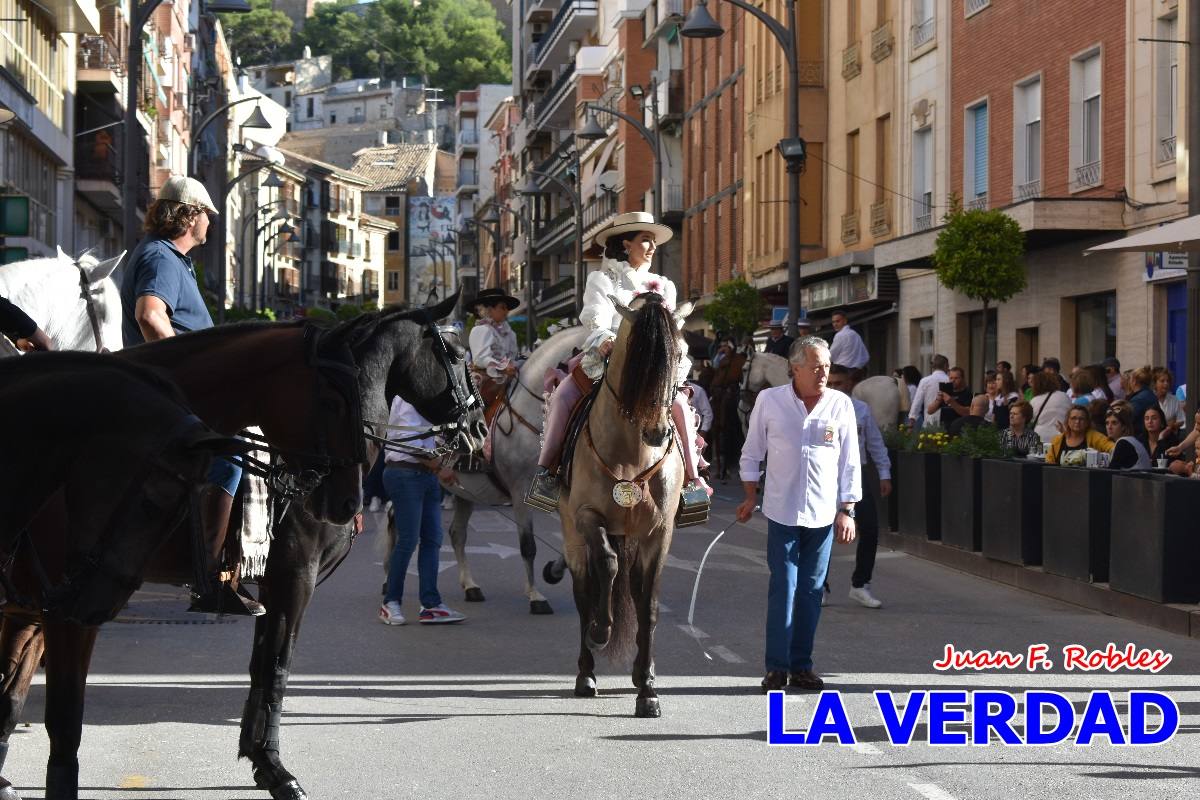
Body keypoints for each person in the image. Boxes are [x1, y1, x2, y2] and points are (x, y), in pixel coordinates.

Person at [120, 176, 255, 615]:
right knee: (229, 458)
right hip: (171, 395)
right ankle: (208, 576)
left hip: (168, 391)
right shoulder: (161, 257)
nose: (211, 223)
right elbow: (150, 315)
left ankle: (221, 571)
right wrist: (190, 374)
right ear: (190, 215)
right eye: (208, 215)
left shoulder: (170, 258)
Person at [527, 212, 709, 509]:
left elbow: (671, 327)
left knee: (679, 406)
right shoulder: (602, 279)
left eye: (653, 241)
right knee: (562, 396)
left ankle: (692, 480)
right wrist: (604, 339)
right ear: (626, 244)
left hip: (653, 369)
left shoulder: (664, 285)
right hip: (609, 359)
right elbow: (594, 316)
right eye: (645, 240)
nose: (652, 247)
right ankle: (547, 473)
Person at [737, 336, 860, 692]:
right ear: (795, 368)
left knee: (811, 591)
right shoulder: (770, 400)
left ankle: (802, 666)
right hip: (782, 511)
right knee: (785, 588)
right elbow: (752, 451)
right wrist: (749, 495)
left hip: (823, 515)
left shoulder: (840, 404)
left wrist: (847, 510)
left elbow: (850, 460)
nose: (823, 373)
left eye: (827, 366)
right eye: (816, 366)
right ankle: (776, 667)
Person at [379, 393, 466, 626]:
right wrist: (440, 467)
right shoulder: (408, 397)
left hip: (424, 475)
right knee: (408, 540)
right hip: (405, 473)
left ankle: (430, 605)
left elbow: (428, 439)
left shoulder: (425, 398)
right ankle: (390, 603)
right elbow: (410, 442)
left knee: (433, 539)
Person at [828, 365, 888, 609]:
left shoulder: (861, 409)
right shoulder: (817, 408)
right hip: (826, 476)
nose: (834, 388)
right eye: (830, 383)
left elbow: (875, 443)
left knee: (870, 528)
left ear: (849, 383)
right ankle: (819, 586)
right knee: (821, 532)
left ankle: (860, 585)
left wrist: (885, 473)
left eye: (839, 383)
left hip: (856, 476)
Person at [468, 288, 521, 409]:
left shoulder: (510, 333)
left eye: (507, 308)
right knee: (473, 405)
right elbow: (480, 359)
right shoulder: (481, 330)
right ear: (489, 310)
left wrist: (516, 365)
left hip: (508, 379)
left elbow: (514, 357)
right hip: (484, 380)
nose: (506, 311)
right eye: (502, 307)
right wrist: (503, 367)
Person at [1044, 405, 1114, 466]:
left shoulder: (1095, 437)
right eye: (1073, 418)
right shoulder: (1057, 440)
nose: (1077, 422)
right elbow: (1049, 463)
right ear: (1068, 421)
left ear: (1087, 422)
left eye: (1081, 419)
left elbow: (1113, 448)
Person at [1104, 403, 1151, 471]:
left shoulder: (1123, 443)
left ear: (1124, 426)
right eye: (1107, 423)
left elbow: (1111, 472)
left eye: (1114, 423)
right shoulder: (1130, 440)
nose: (1109, 427)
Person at [908, 355, 949, 431]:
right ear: (945, 365)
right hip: (948, 422)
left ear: (933, 366)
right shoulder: (949, 380)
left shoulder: (925, 381)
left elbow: (917, 402)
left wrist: (911, 423)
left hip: (929, 421)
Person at [1028, 371, 1070, 444]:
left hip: (1041, 436)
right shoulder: (1064, 396)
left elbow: (1031, 419)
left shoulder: (1034, 400)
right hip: (1061, 435)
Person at [1125, 366, 1158, 436]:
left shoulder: (1137, 400)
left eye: (1130, 379)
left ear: (1134, 381)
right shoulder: (1151, 394)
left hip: (1140, 436)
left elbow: (1127, 419)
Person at [1153, 367, 1186, 435]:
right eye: (1162, 381)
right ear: (1155, 383)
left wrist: (1171, 426)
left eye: (1168, 381)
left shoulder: (1174, 400)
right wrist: (1169, 422)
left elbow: (1181, 420)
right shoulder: (1150, 399)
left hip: (1170, 437)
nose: (1166, 383)